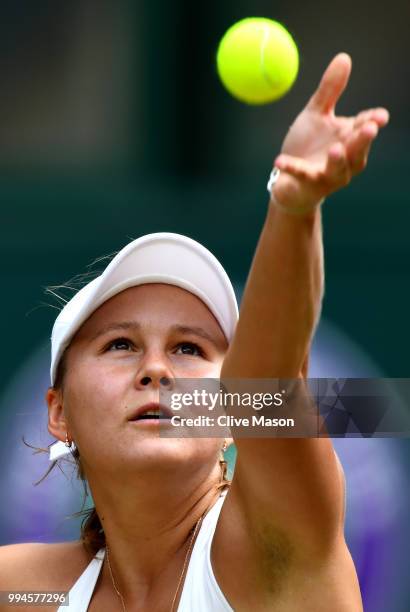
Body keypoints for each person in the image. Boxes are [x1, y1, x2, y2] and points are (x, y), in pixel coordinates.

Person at [0, 53, 389, 611]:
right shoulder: (26, 592)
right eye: (120, 345)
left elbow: (269, 378)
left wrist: (293, 207)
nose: (156, 369)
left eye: (189, 348)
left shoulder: (271, 548)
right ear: (59, 412)